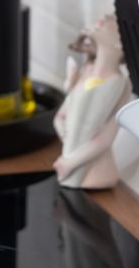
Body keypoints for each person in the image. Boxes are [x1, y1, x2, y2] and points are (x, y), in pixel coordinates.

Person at [53, 15, 133, 189]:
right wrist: (65, 135)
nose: (104, 18)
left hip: (95, 171)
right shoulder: (86, 71)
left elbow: (105, 138)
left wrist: (70, 163)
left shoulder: (119, 84)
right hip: (67, 163)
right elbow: (62, 115)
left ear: (121, 44)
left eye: (113, 21)